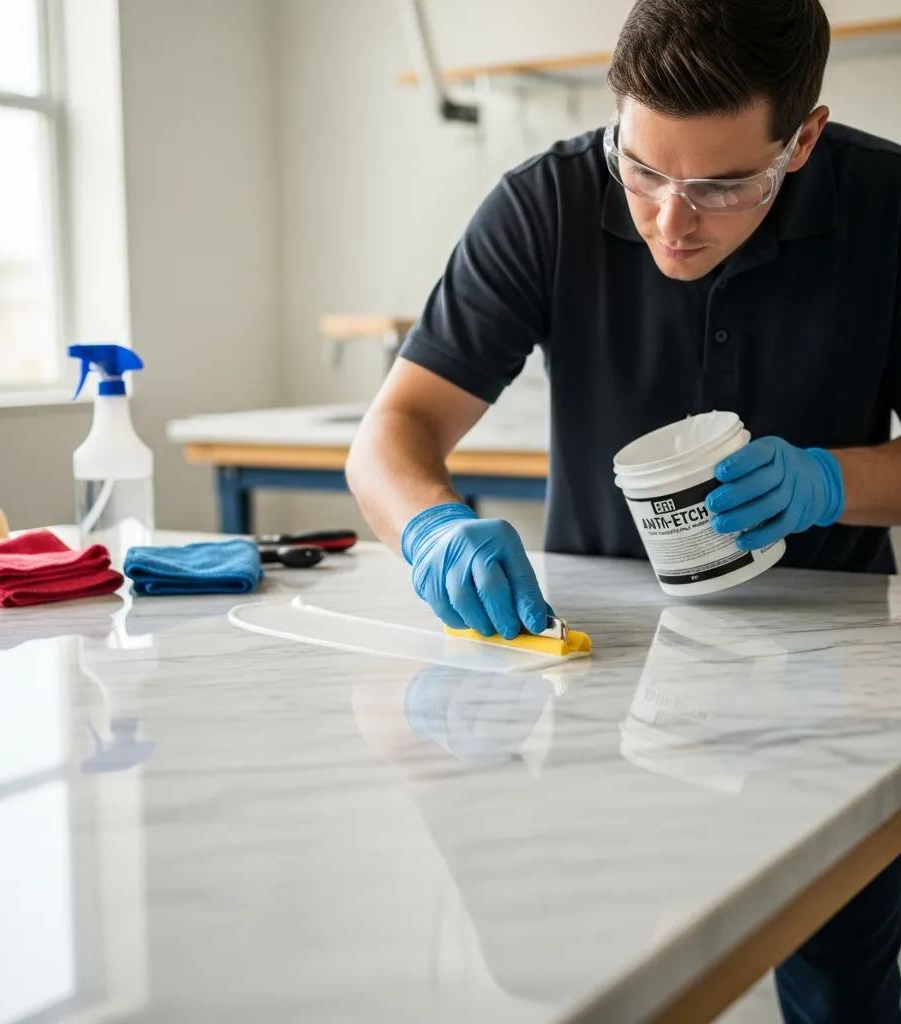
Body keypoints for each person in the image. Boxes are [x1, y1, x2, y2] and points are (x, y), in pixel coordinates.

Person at [345, 0, 901, 1019]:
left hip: (831, 675)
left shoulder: (889, 207)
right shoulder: (546, 202)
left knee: (841, 987)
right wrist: (429, 525)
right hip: (602, 662)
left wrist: (831, 479)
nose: (670, 221)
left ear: (803, 138)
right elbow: (394, 431)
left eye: (723, 185)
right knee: (566, 963)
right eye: (642, 169)